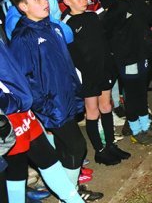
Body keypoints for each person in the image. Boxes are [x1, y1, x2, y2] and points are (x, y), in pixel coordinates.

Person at [8, 0, 102, 201]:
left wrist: (75, 89)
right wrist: (44, 104)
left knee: (65, 149)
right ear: (23, 7)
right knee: (77, 146)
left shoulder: (53, 27)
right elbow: (23, 79)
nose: (45, 3)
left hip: (67, 96)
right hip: (51, 104)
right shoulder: (24, 38)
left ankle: (70, 190)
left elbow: (66, 64)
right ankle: (69, 194)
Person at [0, 39, 88, 203]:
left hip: (21, 106)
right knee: (16, 170)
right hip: (8, 112)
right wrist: (11, 102)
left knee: (46, 158)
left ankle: (74, 200)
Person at [60, 0, 130, 165]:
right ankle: (99, 150)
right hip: (87, 76)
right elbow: (71, 55)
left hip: (104, 70)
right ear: (67, 1)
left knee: (106, 106)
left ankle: (110, 144)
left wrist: (111, 65)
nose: (84, 0)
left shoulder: (92, 17)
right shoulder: (67, 24)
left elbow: (103, 43)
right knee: (92, 111)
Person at [102, 0, 152, 144]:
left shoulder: (137, 2)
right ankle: (135, 129)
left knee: (141, 92)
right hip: (127, 60)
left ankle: (145, 125)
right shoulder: (114, 11)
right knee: (132, 95)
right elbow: (106, 35)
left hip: (142, 55)